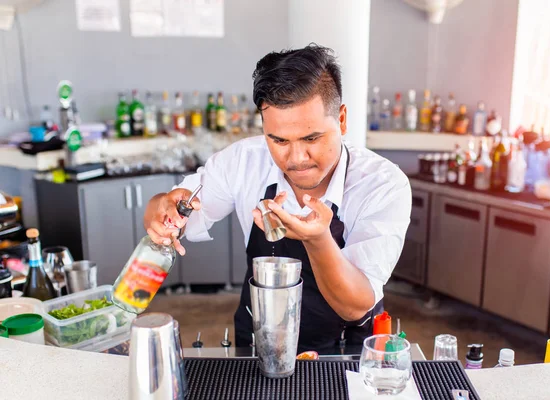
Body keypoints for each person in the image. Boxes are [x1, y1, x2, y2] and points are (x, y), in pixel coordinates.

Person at [143, 44, 411, 352]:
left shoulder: (382, 184)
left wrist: (317, 239)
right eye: (279, 140)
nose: (297, 158)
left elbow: (355, 304)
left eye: (312, 138)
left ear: (342, 120)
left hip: (344, 353)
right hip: (259, 341)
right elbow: (170, 212)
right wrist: (161, 211)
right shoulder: (243, 160)